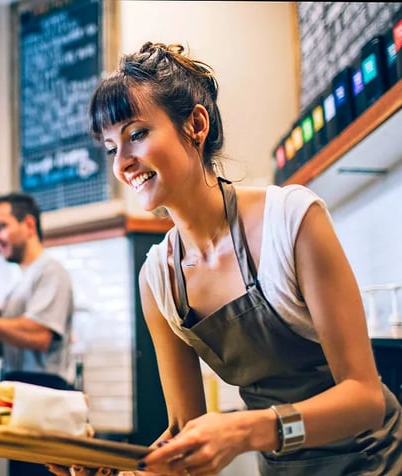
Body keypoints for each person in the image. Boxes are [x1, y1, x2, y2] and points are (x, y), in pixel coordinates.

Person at [50, 41, 402, 476]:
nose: (122, 163)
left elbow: (365, 400)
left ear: (195, 124)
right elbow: (186, 430)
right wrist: (117, 466)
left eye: (136, 134)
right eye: (109, 148)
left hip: (374, 460)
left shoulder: (290, 220)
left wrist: (243, 432)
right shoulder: (159, 279)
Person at [0, 192, 76, 476]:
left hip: (43, 394)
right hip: (20, 392)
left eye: (0, 227)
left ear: (28, 225)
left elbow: (39, 336)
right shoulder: (20, 284)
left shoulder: (51, 271)